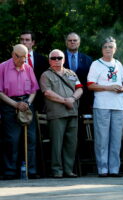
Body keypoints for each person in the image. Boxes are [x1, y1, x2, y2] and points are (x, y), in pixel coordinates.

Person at [87, 36, 123, 177]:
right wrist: (109, 88)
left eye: (111, 47)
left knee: (116, 139)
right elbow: (90, 85)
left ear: (115, 49)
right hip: (102, 105)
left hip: (118, 106)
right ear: (102, 49)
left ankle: (114, 169)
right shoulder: (96, 64)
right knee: (102, 138)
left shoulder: (118, 64)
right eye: (105, 47)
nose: (108, 49)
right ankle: (103, 169)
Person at [40, 49, 83, 178]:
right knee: (56, 143)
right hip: (57, 113)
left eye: (59, 58)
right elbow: (47, 92)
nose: (57, 60)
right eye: (54, 58)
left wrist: (73, 99)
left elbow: (80, 88)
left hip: (72, 112)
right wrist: (65, 101)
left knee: (71, 143)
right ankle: (57, 170)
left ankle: (68, 170)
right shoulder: (46, 75)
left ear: (64, 60)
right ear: (49, 60)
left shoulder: (71, 73)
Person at [0, 44, 39, 180]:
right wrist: (15, 104)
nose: (24, 60)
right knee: (12, 139)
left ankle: (31, 170)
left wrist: (27, 102)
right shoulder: (2, 67)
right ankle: (10, 171)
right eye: (21, 57)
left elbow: (34, 90)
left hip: (27, 104)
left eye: (26, 57)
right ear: (13, 55)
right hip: (9, 104)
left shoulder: (28, 68)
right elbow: (0, 93)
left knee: (31, 138)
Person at [64, 32, 93, 114]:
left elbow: (90, 80)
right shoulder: (58, 57)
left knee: (82, 125)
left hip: (84, 98)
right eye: (70, 40)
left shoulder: (88, 60)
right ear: (66, 43)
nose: (72, 42)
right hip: (64, 97)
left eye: (75, 40)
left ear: (79, 43)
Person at [20, 30, 48, 112]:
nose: (24, 42)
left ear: (33, 42)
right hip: (19, 99)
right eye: (22, 39)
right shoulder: (12, 61)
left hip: (39, 100)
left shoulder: (43, 60)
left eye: (27, 40)